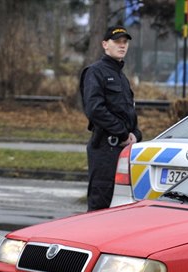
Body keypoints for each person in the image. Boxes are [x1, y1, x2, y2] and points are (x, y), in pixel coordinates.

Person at [80, 25, 142, 211]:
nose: (122, 46)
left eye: (125, 42)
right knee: (100, 207)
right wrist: (123, 134)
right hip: (105, 150)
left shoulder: (121, 77)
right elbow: (95, 109)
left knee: (120, 208)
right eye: (117, 42)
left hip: (123, 150)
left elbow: (128, 112)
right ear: (105, 45)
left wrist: (135, 135)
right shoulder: (95, 72)